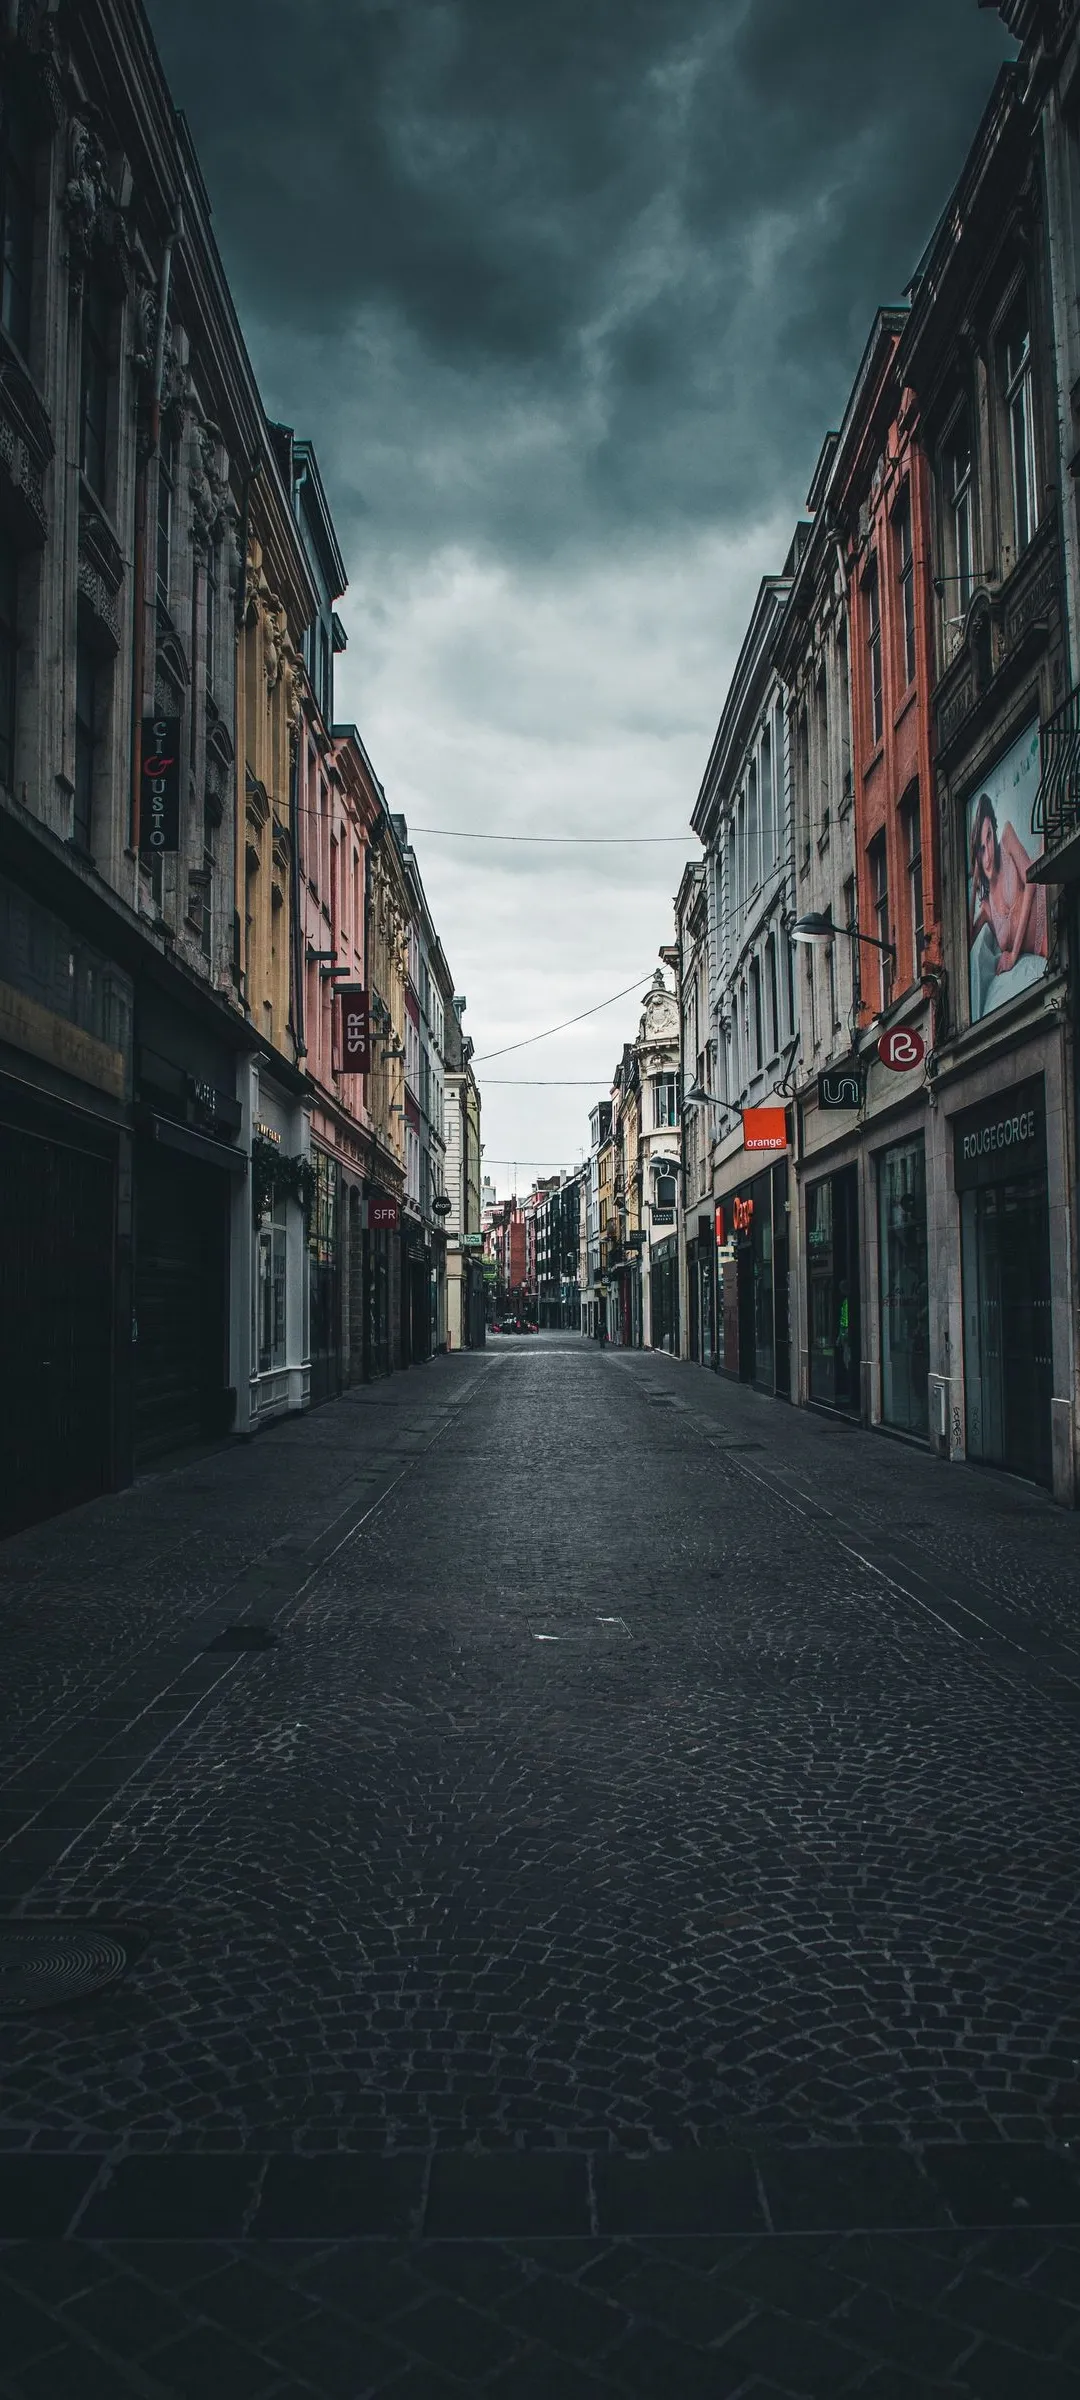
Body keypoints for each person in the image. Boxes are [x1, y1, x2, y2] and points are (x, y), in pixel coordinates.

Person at [969, 793, 1048, 976]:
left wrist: (1014, 954)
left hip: (1047, 903)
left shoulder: (1006, 837)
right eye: (981, 849)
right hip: (1038, 947)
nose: (988, 854)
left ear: (994, 831)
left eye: (988, 837)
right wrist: (974, 885)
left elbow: (1031, 881)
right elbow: (967, 940)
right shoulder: (987, 908)